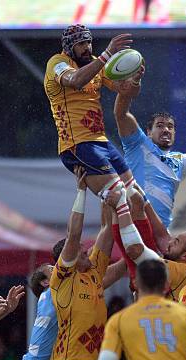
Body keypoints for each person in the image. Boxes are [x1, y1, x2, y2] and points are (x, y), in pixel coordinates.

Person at [46, 166, 116, 360]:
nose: (89, 254)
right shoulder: (61, 280)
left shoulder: (94, 273)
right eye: (82, 254)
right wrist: (81, 190)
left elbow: (107, 229)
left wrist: (106, 195)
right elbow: (73, 237)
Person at [44, 24, 143, 218]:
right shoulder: (57, 63)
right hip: (77, 145)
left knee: (137, 197)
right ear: (68, 47)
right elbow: (76, 80)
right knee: (119, 197)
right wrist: (107, 54)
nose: (87, 47)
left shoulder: (97, 63)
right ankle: (131, 249)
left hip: (101, 142)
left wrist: (136, 80)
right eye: (81, 44)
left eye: (88, 42)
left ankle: (150, 246)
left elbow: (126, 91)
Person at [114, 66, 186, 230]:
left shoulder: (180, 160)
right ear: (148, 133)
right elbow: (121, 114)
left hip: (161, 234)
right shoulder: (137, 144)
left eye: (170, 127)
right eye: (159, 126)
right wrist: (133, 83)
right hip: (131, 227)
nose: (166, 129)